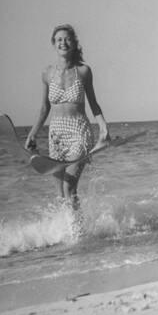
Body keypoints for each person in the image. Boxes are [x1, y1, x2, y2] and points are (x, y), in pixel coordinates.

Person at [25, 24, 109, 209]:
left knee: (68, 186)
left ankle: (78, 235)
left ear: (73, 43)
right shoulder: (47, 73)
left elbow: (94, 103)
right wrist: (32, 133)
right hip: (56, 136)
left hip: (79, 132)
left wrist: (103, 127)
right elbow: (44, 108)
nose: (63, 42)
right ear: (54, 44)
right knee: (61, 194)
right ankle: (71, 231)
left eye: (67, 39)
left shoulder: (83, 71)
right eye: (59, 39)